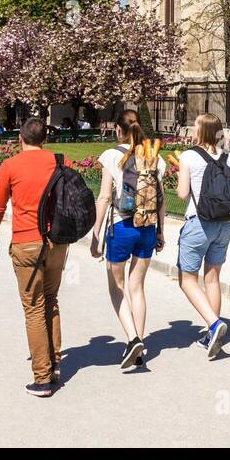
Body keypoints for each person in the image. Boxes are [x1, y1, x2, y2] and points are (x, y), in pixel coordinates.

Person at [0, 117, 62, 397]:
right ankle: (54, 363)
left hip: (26, 241)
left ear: (21, 138)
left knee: (33, 308)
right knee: (51, 301)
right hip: (56, 241)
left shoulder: (11, 166)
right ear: (44, 139)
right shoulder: (58, 161)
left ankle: (42, 377)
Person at [90, 111, 165, 369]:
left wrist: (95, 234)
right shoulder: (153, 156)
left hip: (121, 225)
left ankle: (132, 338)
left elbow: (104, 198)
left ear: (118, 131)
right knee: (138, 287)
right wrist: (160, 231)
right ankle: (140, 345)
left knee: (116, 286)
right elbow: (161, 199)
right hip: (147, 227)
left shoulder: (112, 156)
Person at [175, 113, 230, 359]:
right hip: (224, 225)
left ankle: (213, 324)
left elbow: (182, 193)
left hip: (199, 222)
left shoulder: (189, 156)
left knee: (187, 280)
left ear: (202, 131)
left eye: (196, 125)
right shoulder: (229, 157)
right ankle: (211, 332)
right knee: (212, 279)